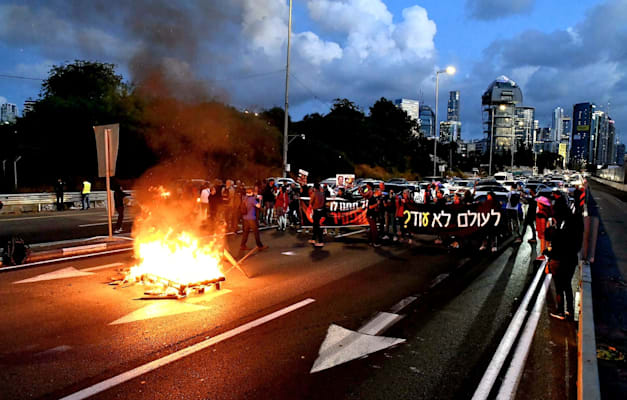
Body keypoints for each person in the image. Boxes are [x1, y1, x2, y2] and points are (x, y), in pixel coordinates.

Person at [309, 183, 326, 247]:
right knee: (316, 226)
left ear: (314, 188)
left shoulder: (314, 194)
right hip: (321, 211)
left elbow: (311, 202)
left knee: (317, 226)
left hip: (316, 211)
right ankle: (313, 239)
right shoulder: (322, 194)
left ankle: (320, 241)